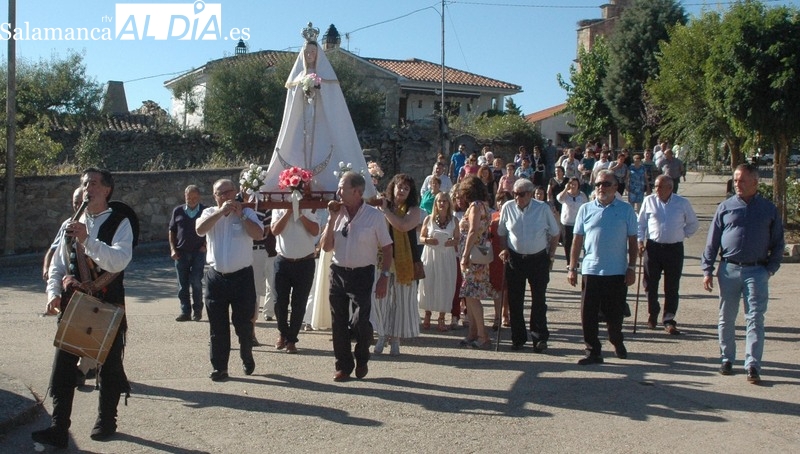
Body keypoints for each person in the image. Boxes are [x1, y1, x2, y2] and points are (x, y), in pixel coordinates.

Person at [34, 168, 135, 448]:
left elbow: (119, 260)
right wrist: (53, 293)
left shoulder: (120, 222)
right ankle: (58, 428)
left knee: (110, 366)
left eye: (93, 183)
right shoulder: (71, 223)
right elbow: (58, 264)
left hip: (107, 302)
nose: (87, 187)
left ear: (107, 190)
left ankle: (107, 420)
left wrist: (88, 240)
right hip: (74, 302)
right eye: (84, 183)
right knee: (63, 366)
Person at [261, 22, 376, 198]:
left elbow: (333, 103)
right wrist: (304, 90)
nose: (310, 55)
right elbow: (292, 107)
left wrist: (317, 90)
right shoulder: (296, 79)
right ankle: (294, 183)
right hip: (301, 121)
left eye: (313, 52)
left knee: (323, 149)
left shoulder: (328, 78)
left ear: (318, 54)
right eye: (307, 52)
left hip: (322, 120)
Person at [701, 164, 784, 383]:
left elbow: (778, 242)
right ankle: (727, 358)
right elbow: (712, 241)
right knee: (726, 317)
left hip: (757, 270)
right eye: (736, 180)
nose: (737, 184)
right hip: (729, 269)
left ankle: (753, 364)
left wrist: (770, 269)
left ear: (755, 182)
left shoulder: (768, 209)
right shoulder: (726, 207)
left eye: (742, 180)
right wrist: (707, 269)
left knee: (755, 318)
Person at [321, 171, 393, 382]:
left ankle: (362, 357)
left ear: (357, 192)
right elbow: (325, 247)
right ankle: (343, 367)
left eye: (342, 188)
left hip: (363, 274)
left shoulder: (374, 216)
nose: (338, 192)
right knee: (338, 322)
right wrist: (331, 219)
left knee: (361, 321)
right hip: (338, 272)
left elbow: (387, 248)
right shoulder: (337, 213)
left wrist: (384, 276)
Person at [196, 179, 265, 381]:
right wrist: (221, 213)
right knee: (217, 326)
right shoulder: (209, 213)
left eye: (229, 192)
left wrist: (241, 215)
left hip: (242, 277)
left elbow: (259, 234)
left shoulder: (247, 212)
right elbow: (200, 230)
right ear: (215, 197)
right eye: (221, 193)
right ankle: (220, 367)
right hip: (216, 278)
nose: (226, 196)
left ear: (236, 192)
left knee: (243, 324)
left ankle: (246, 354)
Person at [568, 170, 638, 365]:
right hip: (591, 269)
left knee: (614, 315)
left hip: (616, 271)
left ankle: (616, 340)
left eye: (606, 184)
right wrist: (572, 268)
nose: (601, 188)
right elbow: (577, 240)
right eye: (598, 184)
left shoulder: (626, 210)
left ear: (615, 187)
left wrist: (632, 267)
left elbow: (633, 241)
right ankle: (593, 351)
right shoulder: (586, 209)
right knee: (588, 314)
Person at [498, 178, 560, 352]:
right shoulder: (508, 207)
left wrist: (551, 255)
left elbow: (555, 233)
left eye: (521, 194)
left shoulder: (542, 208)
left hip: (538, 259)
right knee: (515, 300)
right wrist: (504, 249)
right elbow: (502, 232)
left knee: (539, 299)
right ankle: (518, 338)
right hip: (515, 258)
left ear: (530, 194)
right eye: (515, 194)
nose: (517, 198)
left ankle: (539, 338)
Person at [637, 175, 699, 334]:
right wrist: (640, 241)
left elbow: (693, 223)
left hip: (674, 249)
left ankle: (669, 319)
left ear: (670, 188)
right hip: (653, 248)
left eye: (660, 186)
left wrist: (681, 234)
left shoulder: (682, 203)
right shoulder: (649, 201)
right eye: (655, 186)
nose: (656, 189)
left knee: (672, 285)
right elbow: (641, 224)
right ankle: (653, 312)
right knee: (650, 284)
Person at [374, 174, 423, 356]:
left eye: (406, 188)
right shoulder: (381, 204)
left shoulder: (414, 210)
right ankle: (381, 335)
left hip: (405, 260)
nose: (402, 190)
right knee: (380, 300)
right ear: (393, 187)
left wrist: (386, 211)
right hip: (382, 258)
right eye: (399, 186)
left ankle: (395, 338)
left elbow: (402, 226)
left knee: (401, 301)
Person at [270, 204, 319, 354]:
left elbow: (315, 231)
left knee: (299, 303)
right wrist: (287, 213)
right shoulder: (278, 208)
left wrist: (300, 214)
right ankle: (282, 333)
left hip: (305, 262)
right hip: (283, 261)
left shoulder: (309, 207)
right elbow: (275, 230)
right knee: (279, 301)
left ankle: (292, 339)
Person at [457, 176, 495, 348]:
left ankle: (482, 334)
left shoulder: (475, 206)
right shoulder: (485, 206)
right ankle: (473, 332)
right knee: (469, 294)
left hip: (473, 256)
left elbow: (473, 230)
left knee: (472, 295)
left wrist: (465, 254)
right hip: (478, 255)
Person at [418, 191, 460, 332]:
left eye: (444, 201)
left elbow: (457, 239)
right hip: (431, 254)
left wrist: (450, 242)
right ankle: (427, 314)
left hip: (446, 255)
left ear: (449, 203)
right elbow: (421, 237)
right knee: (429, 283)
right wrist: (428, 240)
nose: (442, 203)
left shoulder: (454, 220)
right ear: (435, 203)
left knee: (445, 284)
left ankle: (441, 317)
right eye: (439, 201)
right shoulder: (429, 219)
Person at [169, 185, 207, 322]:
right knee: (182, 284)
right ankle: (185, 311)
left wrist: (205, 245)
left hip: (198, 252)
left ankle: (198, 311)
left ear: (199, 197)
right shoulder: (178, 211)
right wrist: (173, 249)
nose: (191, 200)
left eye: (194, 198)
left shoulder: (205, 211)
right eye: (188, 198)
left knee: (196, 281)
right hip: (181, 252)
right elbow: (172, 230)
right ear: (184, 196)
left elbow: (211, 229)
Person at [42, 187, 83, 282]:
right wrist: (46, 269)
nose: (78, 206)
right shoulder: (67, 224)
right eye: (76, 203)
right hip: (69, 278)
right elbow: (53, 249)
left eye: (81, 203)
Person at [556, 177, 588, 268]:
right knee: (567, 243)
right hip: (566, 223)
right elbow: (559, 199)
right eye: (571, 184)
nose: (573, 186)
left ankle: (575, 260)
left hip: (578, 223)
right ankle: (569, 262)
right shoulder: (565, 194)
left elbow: (586, 206)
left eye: (575, 184)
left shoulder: (582, 195)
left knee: (577, 243)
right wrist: (566, 189)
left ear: (578, 185)